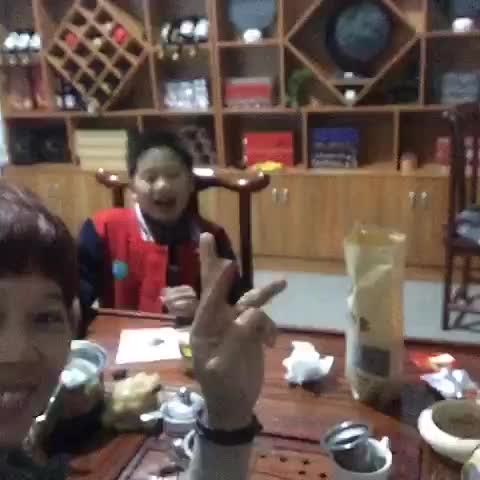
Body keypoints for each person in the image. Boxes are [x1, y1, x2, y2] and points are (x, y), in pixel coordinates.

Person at [0, 180, 286, 480]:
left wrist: (228, 417)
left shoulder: (210, 235)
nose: (18, 353)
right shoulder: (104, 230)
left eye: (45, 318)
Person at [78, 130, 243, 328]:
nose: (163, 185)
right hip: (121, 342)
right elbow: (75, 301)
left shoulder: (213, 238)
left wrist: (200, 310)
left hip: (193, 341)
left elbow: (235, 308)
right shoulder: (102, 230)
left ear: (191, 183)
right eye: (150, 177)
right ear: (132, 187)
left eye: (173, 175)